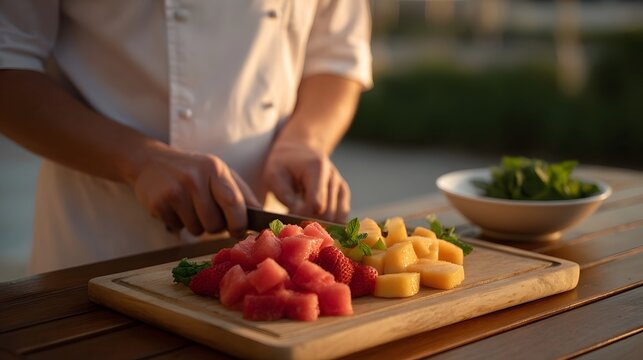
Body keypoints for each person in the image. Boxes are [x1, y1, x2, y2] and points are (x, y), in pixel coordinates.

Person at [0, 1, 372, 273]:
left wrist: (305, 140)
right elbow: (8, 62)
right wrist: (138, 160)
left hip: (270, 238)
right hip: (105, 242)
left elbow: (336, 56)